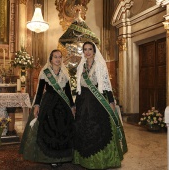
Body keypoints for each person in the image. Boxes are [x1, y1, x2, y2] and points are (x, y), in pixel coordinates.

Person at [73, 41, 128, 169]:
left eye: (90, 49)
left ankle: (102, 159)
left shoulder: (100, 65)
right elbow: (79, 88)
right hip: (83, 102)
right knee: (83, 128)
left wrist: (111, 102)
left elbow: (106, 85)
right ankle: (84, 159)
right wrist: (75, 104)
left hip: (98, 102)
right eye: (85, 49)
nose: (87, 52)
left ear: (94, 51)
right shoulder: (81, 66)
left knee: (99, 128)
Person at [19, 49, 75, 168]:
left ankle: (62, 156)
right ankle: (51, 157)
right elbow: (39, 92)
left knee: (63, 129)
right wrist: (37, 105)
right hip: (49, 104)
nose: (58, 59)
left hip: (63, 105)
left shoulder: (65, 74)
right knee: (49, 130)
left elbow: (69, 93)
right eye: (55, 57)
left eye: (60, 57)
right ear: (51, 59)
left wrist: (72, 106)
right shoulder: (45, 73)